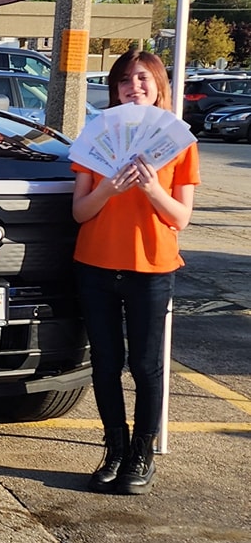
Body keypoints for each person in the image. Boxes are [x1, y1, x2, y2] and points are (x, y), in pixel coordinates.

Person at [72, 49, 200, 495]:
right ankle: (114, 447)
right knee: (105, 365)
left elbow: (180, 218)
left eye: (143, 78)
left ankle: (142, 454)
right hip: (96, 264)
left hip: (152, 267)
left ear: (159, 85)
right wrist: (107, 187)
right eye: (125, 80)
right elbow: (80, 212)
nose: (134, 86)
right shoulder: (97, 134)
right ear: (115, 89)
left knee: (145, 366)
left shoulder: (179, 142)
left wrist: (149, 189)